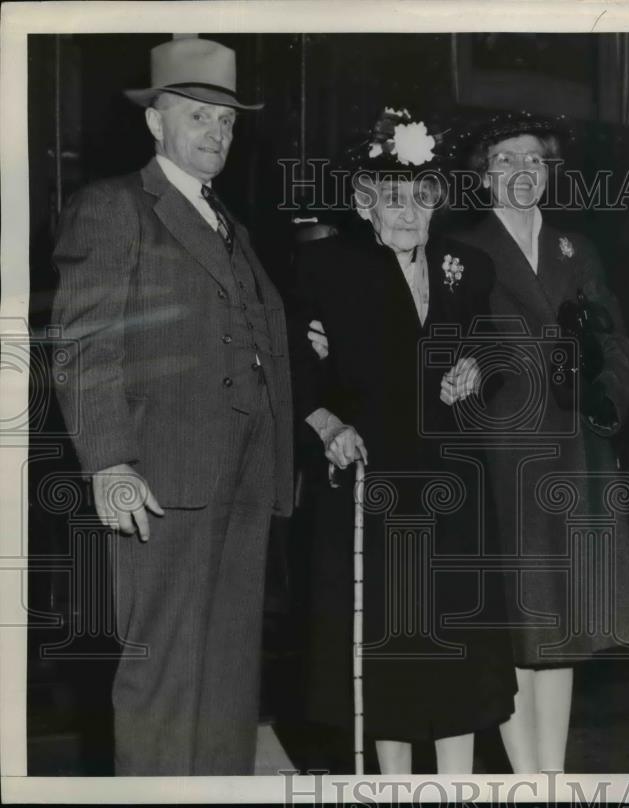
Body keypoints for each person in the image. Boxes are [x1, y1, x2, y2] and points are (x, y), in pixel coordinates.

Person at [50, 37, 293, 775]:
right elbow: (84, 345)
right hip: (162, 479)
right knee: (161, 679)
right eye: (198, 117)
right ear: (156, 123)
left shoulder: (232, 225)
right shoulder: (115, 207)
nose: (216, 134)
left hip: (243, 481)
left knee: (226, 680)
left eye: (226, 122)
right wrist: (110, 463)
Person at [290, 108, 517, 774]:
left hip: (453, 483)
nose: (408, 210)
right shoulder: (326, 267)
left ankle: (457, 784)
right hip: (373, 480)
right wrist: (327, 425)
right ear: (364, 202)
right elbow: (295, 364)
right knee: (385, 641)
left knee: (456, 641)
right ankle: (391, 786)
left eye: (422, 196)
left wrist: (481, 368)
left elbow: (496, 352)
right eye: (392, 197)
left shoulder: (466, 266)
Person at [452, 112, 629, 773]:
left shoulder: (577, 250)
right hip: (506, 454)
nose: (521, 173)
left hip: (574, 448)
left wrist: (604, 405)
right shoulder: (460, 251)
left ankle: (553, 774)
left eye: (534, 161)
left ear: (549, 173)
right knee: (520, 617)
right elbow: (443, 347)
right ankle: (522, 779)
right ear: (484, 176)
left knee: (563, 621)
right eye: (506, 161)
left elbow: (616, 341)